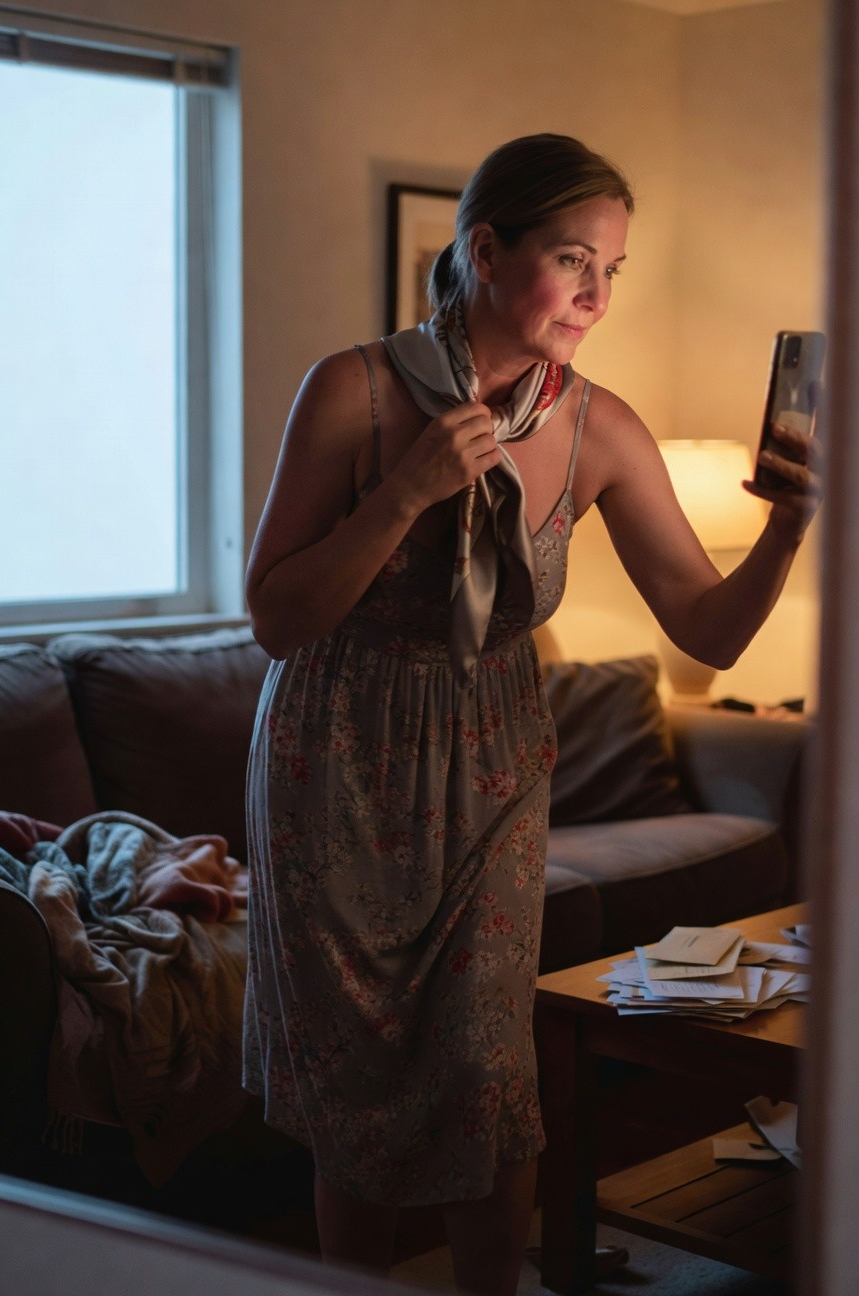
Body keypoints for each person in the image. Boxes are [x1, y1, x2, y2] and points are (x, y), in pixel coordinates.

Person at [242, 133, 821, 1296]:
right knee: (356, 1075)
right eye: (573, 261)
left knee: (488, 1075)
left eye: (612, 269)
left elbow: (706, 631)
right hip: (336, 760)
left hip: (495, 762)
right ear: (484, 250)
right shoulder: (351, 391)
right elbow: (275, 615)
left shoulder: (602, 428)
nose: (597, 297)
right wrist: (407, 494)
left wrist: (793, 521)